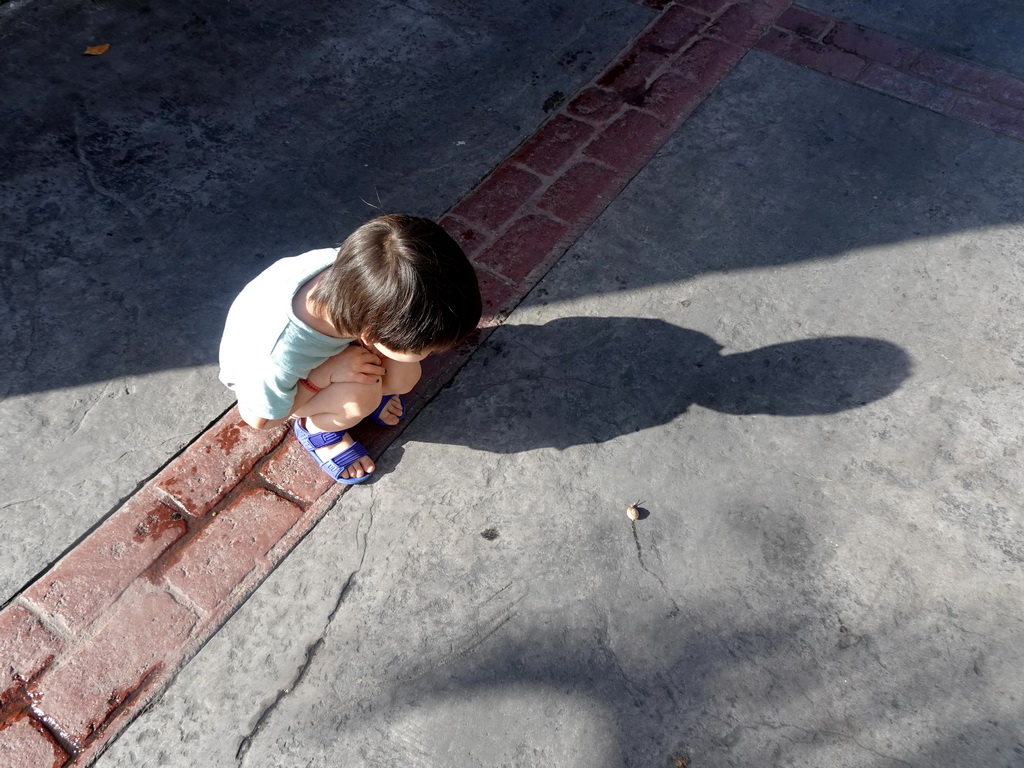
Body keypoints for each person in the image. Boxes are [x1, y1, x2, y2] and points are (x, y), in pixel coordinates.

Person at [218, 214, 481, 484]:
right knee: (359, 398)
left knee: (404, 376)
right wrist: (325, 375)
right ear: (368, 336)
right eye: (428, 348)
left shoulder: (370, 271)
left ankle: (362, 387)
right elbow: (260, 419)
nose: (435, 351)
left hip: (336, 340)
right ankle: (320, 432)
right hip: (275, 385)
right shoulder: (279, 354)